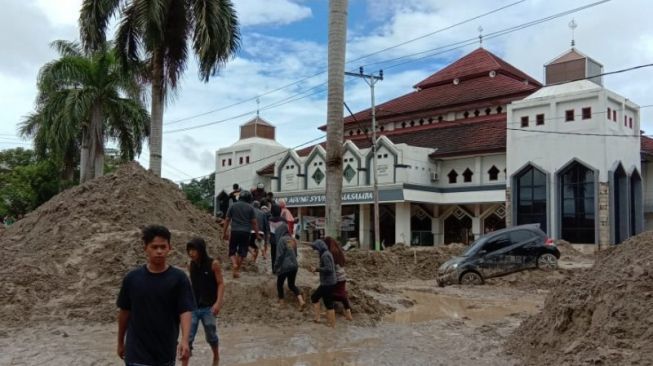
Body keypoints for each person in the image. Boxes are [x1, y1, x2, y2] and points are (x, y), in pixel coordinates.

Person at [117, 225, 195, 366]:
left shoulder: (179, 278)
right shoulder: (132, 279)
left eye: (163, 247)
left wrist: (185, 340)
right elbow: (124, 312)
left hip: (165, 353)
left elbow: (185, 310)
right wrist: (120, 342)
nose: (159, 251)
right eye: (154, 247)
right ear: (145, 248)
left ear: (169, 248)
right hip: (136, 354)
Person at [183, 238, 224, 366]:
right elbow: (191, 284)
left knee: (211, 335)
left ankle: (216, 356)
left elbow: (221, 284)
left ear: (201, 250)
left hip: (209, 307)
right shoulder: (190, 265)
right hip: (193, 307)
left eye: (193, 250)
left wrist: (218, 303)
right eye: (189, 250)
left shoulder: (213, 264)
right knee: (187, 337)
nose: (191, 253)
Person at [223, 190, 260, 278]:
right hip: (246, 232)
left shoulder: (233, 206)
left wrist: (224, 232)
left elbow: (227, 220)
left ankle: (234, 264)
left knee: (232, 251)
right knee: (242, 252)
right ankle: (237, 270)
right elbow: (254, 222)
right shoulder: (250, 208)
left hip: (235, 231)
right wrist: (257, 234)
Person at [273, 223, 306, 309]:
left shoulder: (281, 240)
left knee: (279, 284)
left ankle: (281, 303)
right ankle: (301, 300)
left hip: (285, 267)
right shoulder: (292, 240)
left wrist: (276, 267)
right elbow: (294, 254)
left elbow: (279, 256)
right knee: (291, 285)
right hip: (294, 266)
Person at [310, 239, 337, 327]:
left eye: (316, 248)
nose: (316, 250)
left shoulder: (325, 255)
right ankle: (320, 319)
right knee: (316, 298)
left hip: (328, 283)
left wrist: (317, 269)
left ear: (320, 247)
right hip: (328, 282)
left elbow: (329, 269)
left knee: (326, 302)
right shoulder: (326, 253)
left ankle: (332, 324)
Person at [324, 236, 353, 321]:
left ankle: (329, 312)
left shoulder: (330, 252)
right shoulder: (338, 250)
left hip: (336, 277)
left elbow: (330, 267)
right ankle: (348, 313)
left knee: (330, 294)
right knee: (342, 294)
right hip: (342, 276)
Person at [266, 203, 287, 273]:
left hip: (273, 240)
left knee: (273, 255)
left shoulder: (269, 219)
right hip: (282, 240)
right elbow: (286, 231)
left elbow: (268, 230)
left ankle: (274, 269)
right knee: (281, 254)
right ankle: (281, 268)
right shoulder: (283, 220)